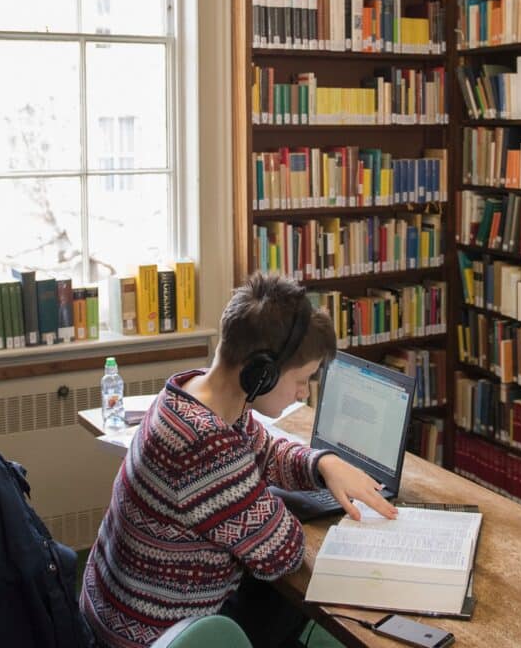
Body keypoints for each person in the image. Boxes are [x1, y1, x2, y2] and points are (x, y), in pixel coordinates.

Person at [80, 272, 396, 648]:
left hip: (116, 612)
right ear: (261, 373)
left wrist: (324, 464)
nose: (301, 393)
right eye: (302, 378)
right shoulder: (205, 444)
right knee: (297, 600)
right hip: (152, 636)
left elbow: (265, 451)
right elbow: (284, 552)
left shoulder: (190, 394)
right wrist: (259, 501)